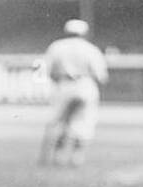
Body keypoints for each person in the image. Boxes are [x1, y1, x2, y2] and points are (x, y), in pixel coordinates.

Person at [39, 19, 109, 167]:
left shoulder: (56, 47)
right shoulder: (90, 48)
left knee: (58, 123)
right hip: (85, 85)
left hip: (63, 85)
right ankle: (77, 159)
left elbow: (46, 71)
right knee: (84, 123)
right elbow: (101, 76)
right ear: (84, 33)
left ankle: (55, 158)